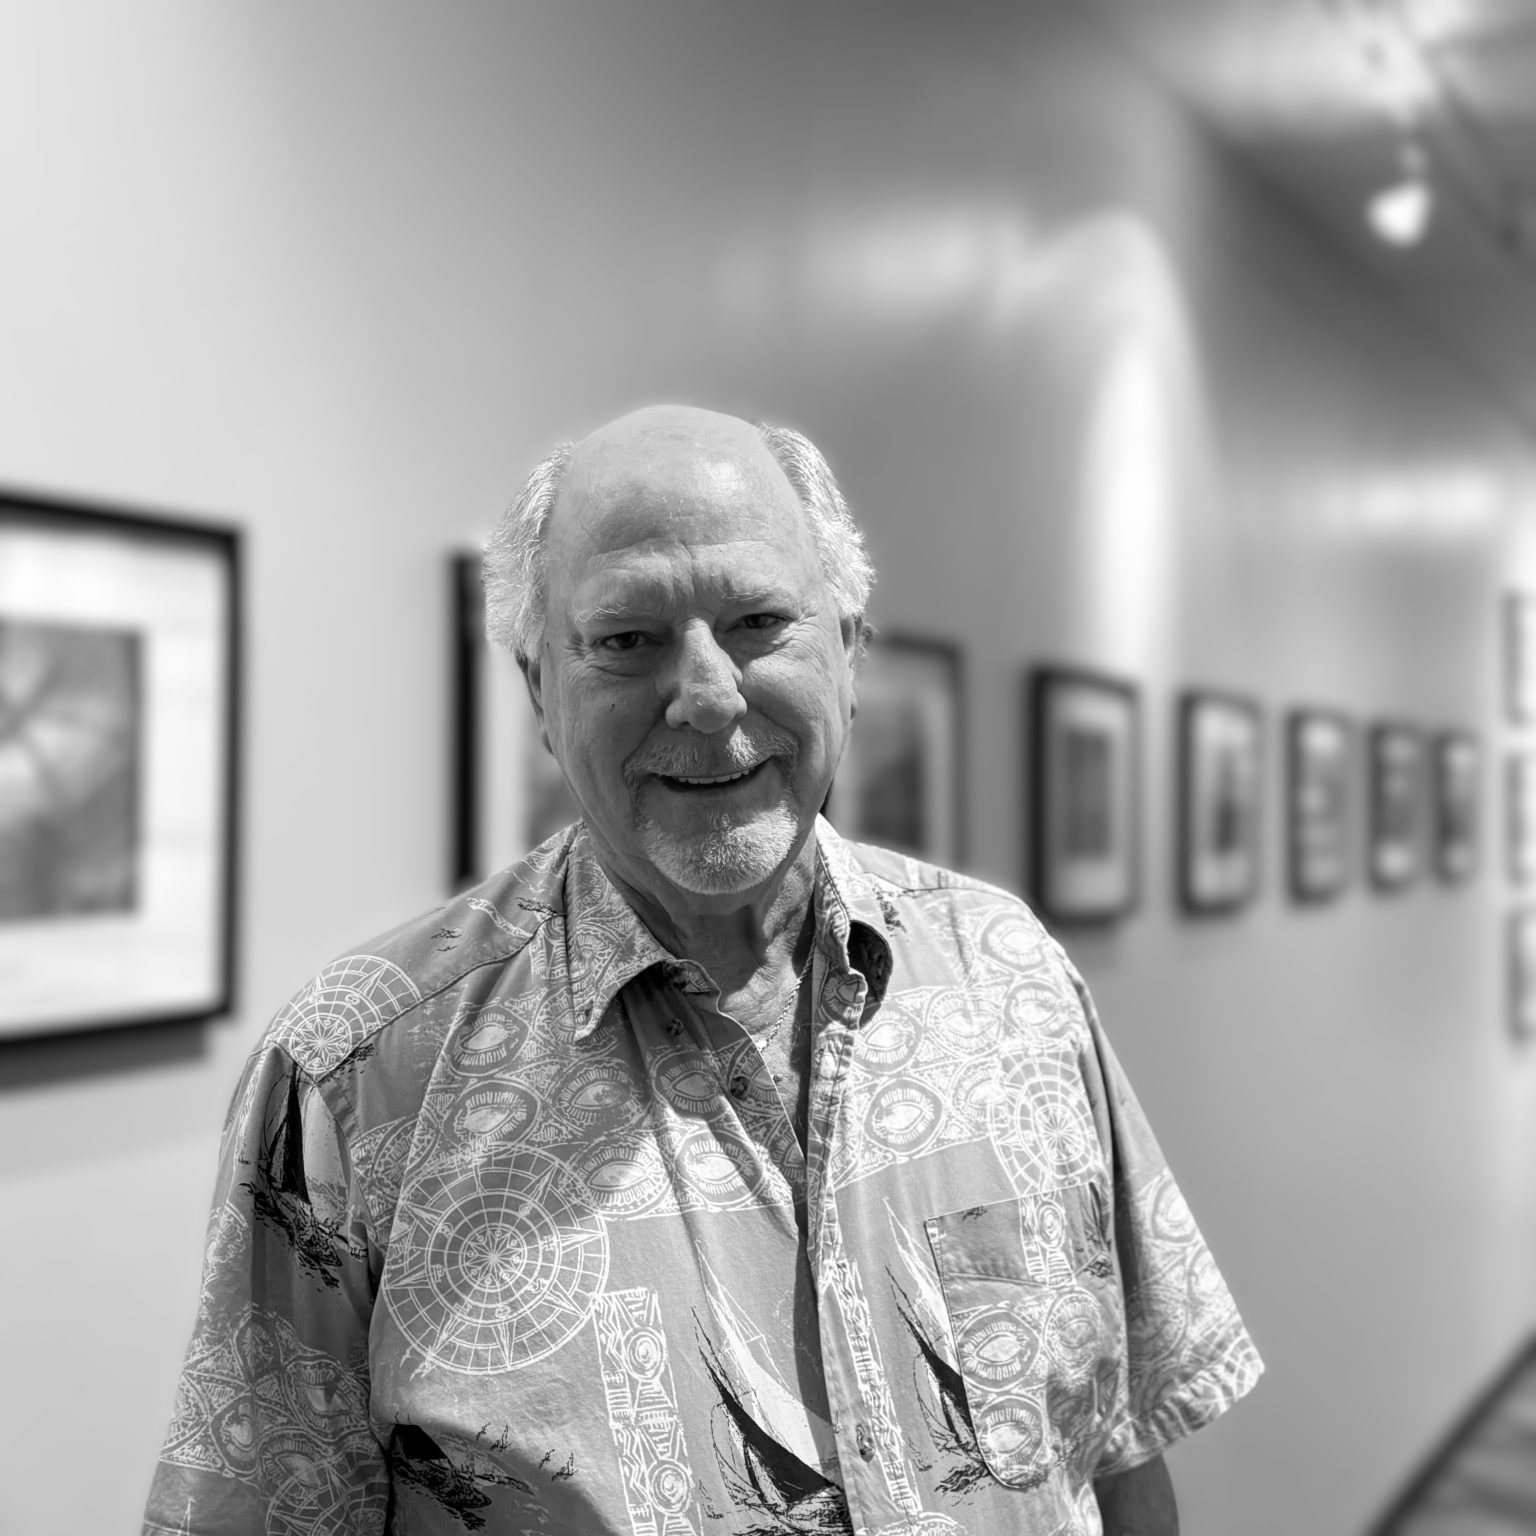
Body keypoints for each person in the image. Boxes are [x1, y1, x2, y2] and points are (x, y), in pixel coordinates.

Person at [144, 404, 1261, 1536]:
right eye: (627, 639)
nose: (710, 694)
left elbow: (1117, 1451)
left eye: (760, 621)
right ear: (538, 690)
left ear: (850, 651)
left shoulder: (1011, 973)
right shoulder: (356, 1076)